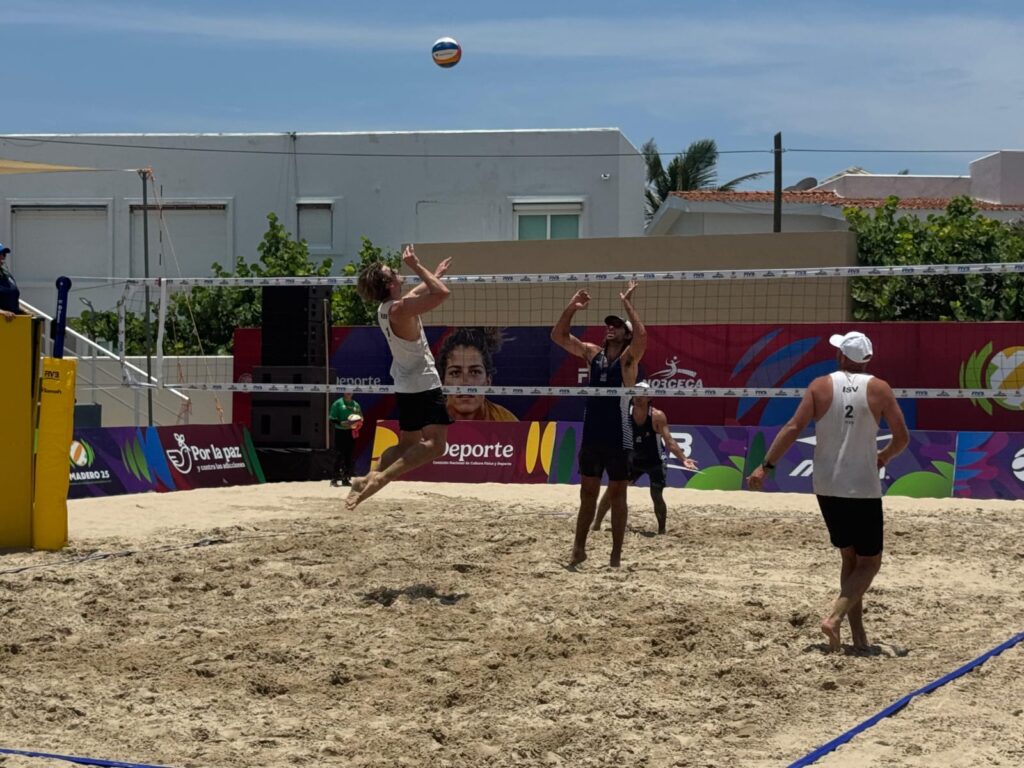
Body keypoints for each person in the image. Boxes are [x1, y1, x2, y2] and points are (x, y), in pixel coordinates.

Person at [746, 331, 909, 653]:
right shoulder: (879, 388)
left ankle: (858, 636)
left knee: (850, 558)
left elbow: (793, 427)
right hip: (861, 486)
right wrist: (884, 456)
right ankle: (834, 618)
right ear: (867, 359)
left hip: (826, 484)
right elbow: (902, 437)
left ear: (842, 356)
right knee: (870, 563)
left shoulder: (820, 386)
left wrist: (765, 466)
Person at [346, 245, 453, 509]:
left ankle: (365, 478)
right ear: (389, 283)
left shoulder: (386, 308)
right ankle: (381, 479)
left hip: (405, 384)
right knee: (436, 445)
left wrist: (434, 273)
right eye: (392, 271)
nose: (396, 270)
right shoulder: (400, 310)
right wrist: (416, 266)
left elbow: (417, 293)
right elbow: (442, 293)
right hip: (423, 382)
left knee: (407, 443)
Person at [551, 281, 646, 568]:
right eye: (609, 325)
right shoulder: (593, 354)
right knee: (587, 494)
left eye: (617, 325)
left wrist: (627, 303)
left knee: (618, 496)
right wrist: (571, 307)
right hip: (592, 434)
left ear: (626, 334)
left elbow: (642, 336)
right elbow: (558, 336)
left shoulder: (629, 360)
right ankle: (578, 549)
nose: (610, 328)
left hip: (619, 436)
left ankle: (615, 555)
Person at [593, 381, 698, 535]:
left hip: (655, 460)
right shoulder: (626, 414)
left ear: (649, 397)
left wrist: (683, 458)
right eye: (635, 392)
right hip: (634, 460)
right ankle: (596, 524)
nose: (638, 396)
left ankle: (661, 531)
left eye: (642, 393)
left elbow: (669, 440)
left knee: (656, 495)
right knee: (613, 489)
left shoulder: (657, 416)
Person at [438, 327, 518, 421]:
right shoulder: (428, 421)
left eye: (474, 372)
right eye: (455, 373)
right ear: (442, 381)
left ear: (488, 381)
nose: (465, 383)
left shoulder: (507, 421)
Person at [328, 391, 362, 486]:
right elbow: (332, 418)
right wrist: (341, 423)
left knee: (349, 455)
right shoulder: (338, 403)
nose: (349, 393)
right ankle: (334, 479)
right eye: (347, 391)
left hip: (351, 432)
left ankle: (346, 478)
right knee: (339, 455)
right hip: (340, 432)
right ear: (343, 392)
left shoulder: (356, 405)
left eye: (350, 391)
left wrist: (358, 423)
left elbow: (360, 418)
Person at [0, 243, 26, 321]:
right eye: (0, 254)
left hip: (13, 323)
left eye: (4, 254)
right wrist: (2, 312)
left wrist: (24, 311)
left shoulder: (7, 275)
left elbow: (12, 300)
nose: (2, 257)